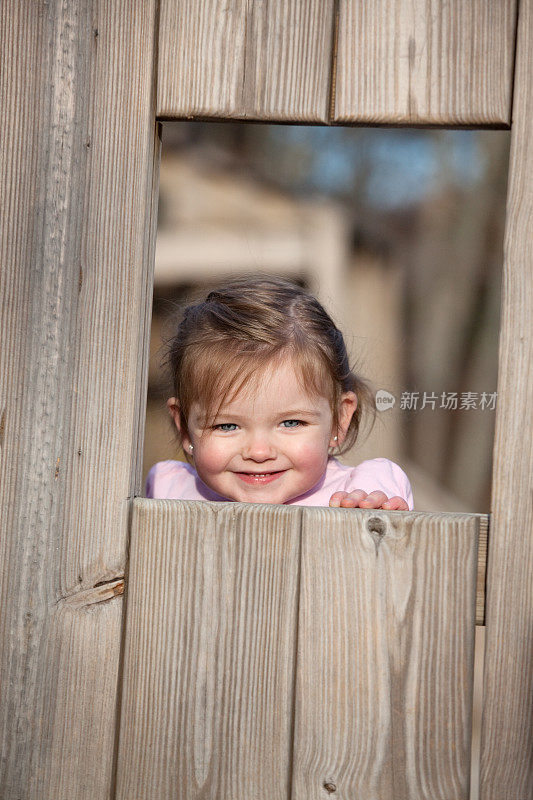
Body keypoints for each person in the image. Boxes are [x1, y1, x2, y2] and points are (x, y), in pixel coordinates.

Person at [146, 274, 413, 510]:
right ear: (183, 427)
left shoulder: (355, 493)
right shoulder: (169, 489)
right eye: (227, 426)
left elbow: (381, 492)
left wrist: (371, 510)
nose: (259, 452)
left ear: (339, 419)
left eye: (291, 422)